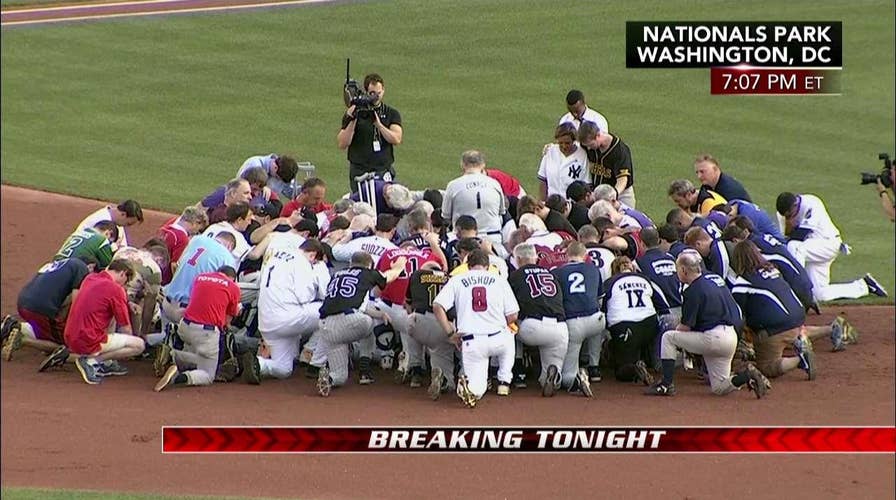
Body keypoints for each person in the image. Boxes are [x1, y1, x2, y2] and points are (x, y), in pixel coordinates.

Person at [645, 251, 768, 398]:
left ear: (683, 270)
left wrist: (678, 334)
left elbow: (685, 327)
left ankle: (666, 384)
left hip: (713, 338)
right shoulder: (713, 283)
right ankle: (747, 375)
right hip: (730, 337)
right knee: (719, 388)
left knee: (668, 337)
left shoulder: (692, 290)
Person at [729, 240, 854, 383]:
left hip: (774, 329)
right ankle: (830, 329)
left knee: (767, 367)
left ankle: (800, 360)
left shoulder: (742, 283)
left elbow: (737, 317)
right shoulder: (773, 270)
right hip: (797, 320)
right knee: (793, 331)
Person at [433, 249, 519, 408]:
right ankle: (504, 380)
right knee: (510, 333)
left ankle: (470, 388)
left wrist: (450, 333)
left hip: (471, 340)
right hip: (498, 337)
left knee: (477, 389)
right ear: (488, 266)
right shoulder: (499, 279)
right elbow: (513, 315)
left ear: (467, 265)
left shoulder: (457, 279)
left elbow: (437, 306)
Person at [312, 252, 406, 396]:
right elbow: (389, 277)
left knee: (340, 376)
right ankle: (364, 369)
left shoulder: (337, 274)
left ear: (350, 264)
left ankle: (329, 379)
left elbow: (356, 304)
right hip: (349, 320)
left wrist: (380, 313)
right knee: (370, 324)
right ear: (368, 265)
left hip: (325, 325)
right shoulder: (367, 273)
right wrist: (399, 267)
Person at [775, 192, 888, 301]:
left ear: (795, 204)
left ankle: (795, 290)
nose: (787, 217)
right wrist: (788, 225)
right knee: (820, 294)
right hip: (812, 250)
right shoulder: (782, 214)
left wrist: (790, 230)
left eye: (789, 214)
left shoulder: (811, 203)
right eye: (785, 216)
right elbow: (785, 238)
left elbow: (799, 236)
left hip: (828, 244)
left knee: (795, 247)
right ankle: (864, 286)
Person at [156, 232, 237, 375]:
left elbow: (176, 265)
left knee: (168, 333)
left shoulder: (197, 240)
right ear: (229, 246)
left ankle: (159, 341)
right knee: (203, 363)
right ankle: (174, 356)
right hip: (189, 314)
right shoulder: (228, 258)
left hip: (167, 302)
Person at [154, 265, 242, 391]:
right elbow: (226, 321)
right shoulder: (233, 287)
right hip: (206, 332)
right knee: (208, 374)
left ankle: (174, 355)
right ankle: (181, 377)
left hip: (184, 326)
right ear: (232, 278)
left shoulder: (200, 278)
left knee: (202, 358)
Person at [255, 239, 329, 380]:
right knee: (329, 313)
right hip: (287, 319)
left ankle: (258, 363)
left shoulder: (277, 254)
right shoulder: (302, 262)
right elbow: (304, 297)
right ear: (312, 255)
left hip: (266, 322)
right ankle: (310, 351)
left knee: (284, 369)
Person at [377, 236, 446, 387]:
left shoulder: (388, 254)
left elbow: (378, 287)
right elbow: (443, 266)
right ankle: (442, 376)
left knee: (407, 322)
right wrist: (433, 243)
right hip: (439, 320)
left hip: (399, 311)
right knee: (439, 349)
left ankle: (393, 357)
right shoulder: (428, 256)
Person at [1, 256, 97, 364]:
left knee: (42, 330)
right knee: (67, 343)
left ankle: (14, 326)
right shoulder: (81, 268)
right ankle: (22, 340)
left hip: (24, 303)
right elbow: (77, 303)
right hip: (40, 309)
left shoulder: (61, 265)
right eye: (92, 269)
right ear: (89, 266)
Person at [64, 259, 145, 385]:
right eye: (126, 281)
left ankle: (105, 363)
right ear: (123, 273)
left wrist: (126, 304)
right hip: (88, 340)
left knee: (110, 315)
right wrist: (125, 348)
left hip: (70, 335)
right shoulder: (116, 289)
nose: (125, 285)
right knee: (139, 345)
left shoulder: (90, 278)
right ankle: (93, 361)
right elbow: (125, 328)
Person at [508, 243, 570, 398]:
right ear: (535, 258)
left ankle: (519, 372)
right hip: (560, 328)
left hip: (531, 327)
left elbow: (509, 308)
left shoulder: (515, 276)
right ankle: (552, 376)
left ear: (519, 259)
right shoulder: (551, 274)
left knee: (509, 327)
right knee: (550, 374)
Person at [722, 217, 817, 314]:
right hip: (805, 286)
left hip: (798, 296)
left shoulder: (754, 248)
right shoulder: (762, 237)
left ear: (746, 231)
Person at [551, 242, 604, 396]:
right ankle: (594, 367)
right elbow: (599, 297)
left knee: (568, 373)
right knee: (598, 327)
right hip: (596, 320)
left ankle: (575, 379)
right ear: (585, 255)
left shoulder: (558, 272)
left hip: (573, 323)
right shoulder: (593, 269)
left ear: (567, 255)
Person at [601, 256, 662, 385]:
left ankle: (634, 368)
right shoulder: (645, 279)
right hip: (649, 326)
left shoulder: (610, 282)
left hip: (625, 327)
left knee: (621, 371)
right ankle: (652, 361)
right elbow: (662, 304)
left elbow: (602, 308)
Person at [337, 73, 403, 190]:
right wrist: (353, 119)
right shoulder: (354, 112)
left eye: (379, 93)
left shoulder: (391, 113)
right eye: (372, 93)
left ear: (383, 90)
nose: (376, 96)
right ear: (366, 92)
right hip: (360, 169)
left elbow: (396, 139)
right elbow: (342, 143)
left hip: (382, 168)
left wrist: (379, 125)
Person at [406, 261, 455, 400]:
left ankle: (415, 369)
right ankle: (444, 379)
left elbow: (407, 303)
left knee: (409, 323)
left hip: (419, 321)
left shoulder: (417, 275)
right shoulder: (450, 278)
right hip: (444, 324)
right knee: (441, 354)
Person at [443, 150, 507, 252]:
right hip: (492, 240)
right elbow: (502, 212)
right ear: (483, 165)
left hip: (464, 242)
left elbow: (446, 217)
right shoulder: (494, 184)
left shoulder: (453, 185)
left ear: (463, 164)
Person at [636, 227, 683, 338]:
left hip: (663, 315)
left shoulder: (638, 264)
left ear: (641, 243)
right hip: (685, 312)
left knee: (662, 351)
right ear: (658, 241)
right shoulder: (672, 258)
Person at [577, 121, 636, 208]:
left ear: (598, 136)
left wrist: (613, 194)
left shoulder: (620, 151)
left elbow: (623, 179)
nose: (588, 148)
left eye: (591, 144)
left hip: (621, 195)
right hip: (597, 193)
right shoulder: (588, 146)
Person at [156, 206, 209, 284]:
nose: (196, 232)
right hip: (163, 279)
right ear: (195, 223)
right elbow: (174, 265)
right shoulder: (182, 238)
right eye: (198, 229)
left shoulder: (165, 228)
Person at [538, 123, 589, 199]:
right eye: (560, 143)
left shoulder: (583, 155)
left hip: (572, 204)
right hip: (552, 202)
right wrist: (542, 201)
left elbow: (586, 185)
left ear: (574, 141)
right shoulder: (550, 152)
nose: (564, 146)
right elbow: (543, 180)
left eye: (567, 143)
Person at [328, 213, 399, 264]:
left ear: (375, 228)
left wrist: (349, 236)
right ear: (393, 231)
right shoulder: (395, 251)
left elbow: (336, 252)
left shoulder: (359, 242)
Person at [75, 199, 143, 250]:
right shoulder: (102, 221)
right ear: (123, 214)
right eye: (128, 223)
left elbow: (123, 247)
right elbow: (101, 250)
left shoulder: (116, 221)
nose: (126, 226)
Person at [712, 199, 785, 242]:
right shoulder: (734, 203)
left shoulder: (747, 216)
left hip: (776, 241)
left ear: (730, 215)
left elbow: (751, 240)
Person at [54, 221, 119, 269]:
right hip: (71, 269)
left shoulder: (77, 233)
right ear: (108, 233)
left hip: (54, 265)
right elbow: (107, 265)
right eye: (110, 242)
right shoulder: (102, 239)